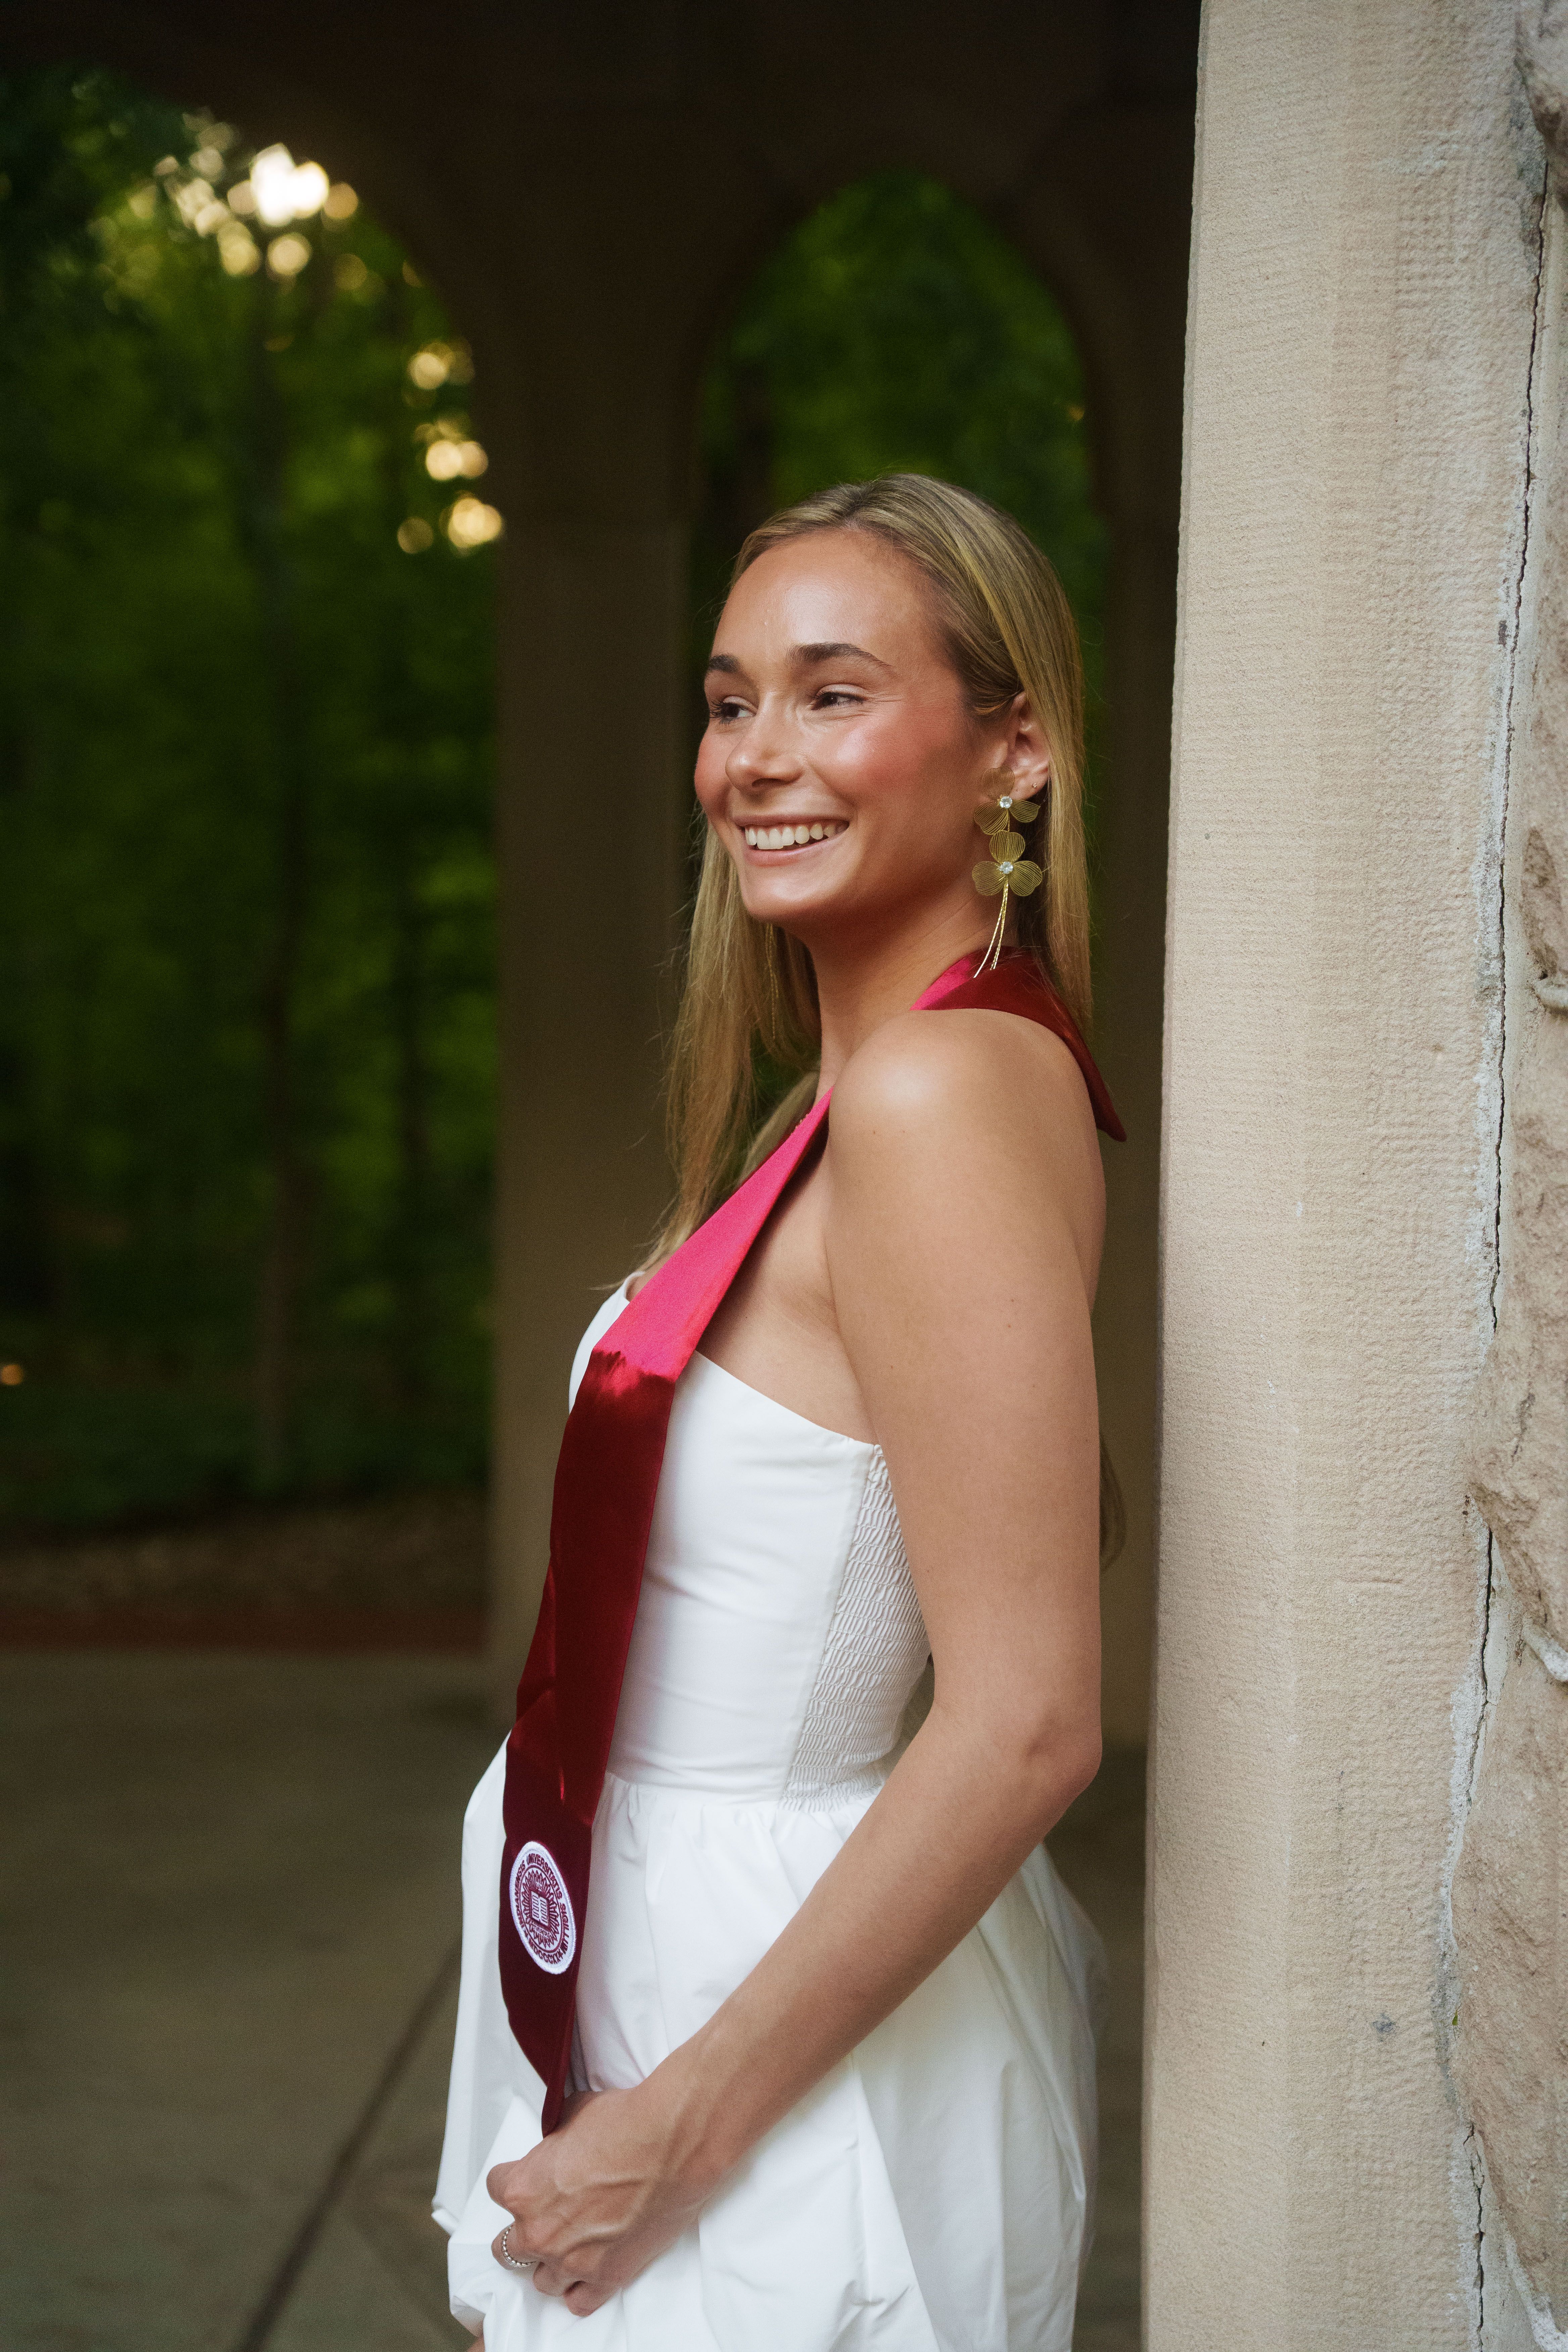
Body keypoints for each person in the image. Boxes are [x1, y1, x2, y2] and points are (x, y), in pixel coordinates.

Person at [434, 472, 1122, 2351]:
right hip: (682, 1953)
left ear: (1016, 751)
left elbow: (1030, 1723)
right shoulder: (879, 1089)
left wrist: (677, 2124)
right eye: (731, 699)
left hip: (765, 2035)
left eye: (834, 692)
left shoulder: (935, 1104)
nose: (754, 756)